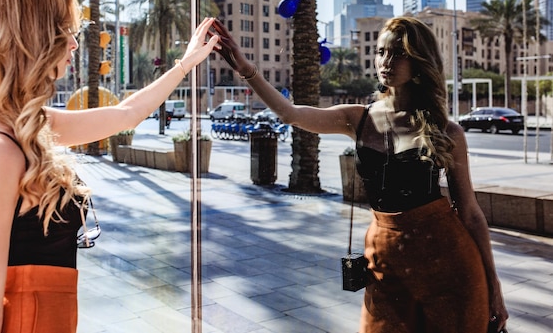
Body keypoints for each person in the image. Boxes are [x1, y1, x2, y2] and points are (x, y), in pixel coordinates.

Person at [0, 0, 219, 333]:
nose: (72, 42)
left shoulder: (24, 124)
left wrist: (185, 64)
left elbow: (125, 114)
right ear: (28, 36)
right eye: (61, 30)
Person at [210, 17, 508, 332]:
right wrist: (245, 68)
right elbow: (290, 113)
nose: (386, 61)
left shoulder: (446, 131)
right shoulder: (358, 118)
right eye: (381, 52)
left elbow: (471, 213)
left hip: (448, 264)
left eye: (398, 53)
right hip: (384, 260)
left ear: (420, 60)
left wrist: (495, 286)